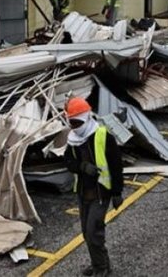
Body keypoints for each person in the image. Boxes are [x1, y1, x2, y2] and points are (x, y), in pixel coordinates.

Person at [64, 97, 124, 277]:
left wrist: (117, 193)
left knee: (93, 233)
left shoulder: (103, 136)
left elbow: (116, 165)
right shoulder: (73, 139)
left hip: (101, 193)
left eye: (77, 122)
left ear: (87, 118)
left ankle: (102, 269)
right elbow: (68, 160)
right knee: (86, 233)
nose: (75, 126)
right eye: (71, 123)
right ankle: (98, 263)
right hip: (84, 193)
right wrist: (82, 166)